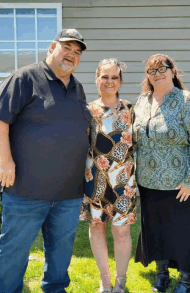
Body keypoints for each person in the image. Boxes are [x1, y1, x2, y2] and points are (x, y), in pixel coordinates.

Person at [0, 28, 91, 293]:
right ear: (52, 47)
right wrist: (5, 161)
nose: (72, 56)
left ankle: (55, 289)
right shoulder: (24, 78)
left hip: (68, 192)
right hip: (26, 189)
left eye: (77, 52)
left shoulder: (77, 87)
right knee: (14, 249)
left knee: (61, 250)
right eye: (67, 48)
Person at [134, 54, 190, 293]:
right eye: (152, 71)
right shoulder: (142, 101)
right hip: (149, 183)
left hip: (182, 183)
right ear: (147, 76)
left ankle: (185, 281)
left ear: (173, 71)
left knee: (185, 233)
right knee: (157, 230)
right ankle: (162, 275)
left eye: (163, 68)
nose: (157, 74)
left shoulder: (187, 100)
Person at [80, 58, 136, 293]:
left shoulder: (130, 109)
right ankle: (105, 281)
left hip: (124, 181)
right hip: (95, 180)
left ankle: (120, 281)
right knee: (97, 228)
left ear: (120, 80)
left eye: (114, 77)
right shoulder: (87, 110)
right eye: (105, 77)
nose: (109, 81)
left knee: (122, 230)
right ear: (97, 79)